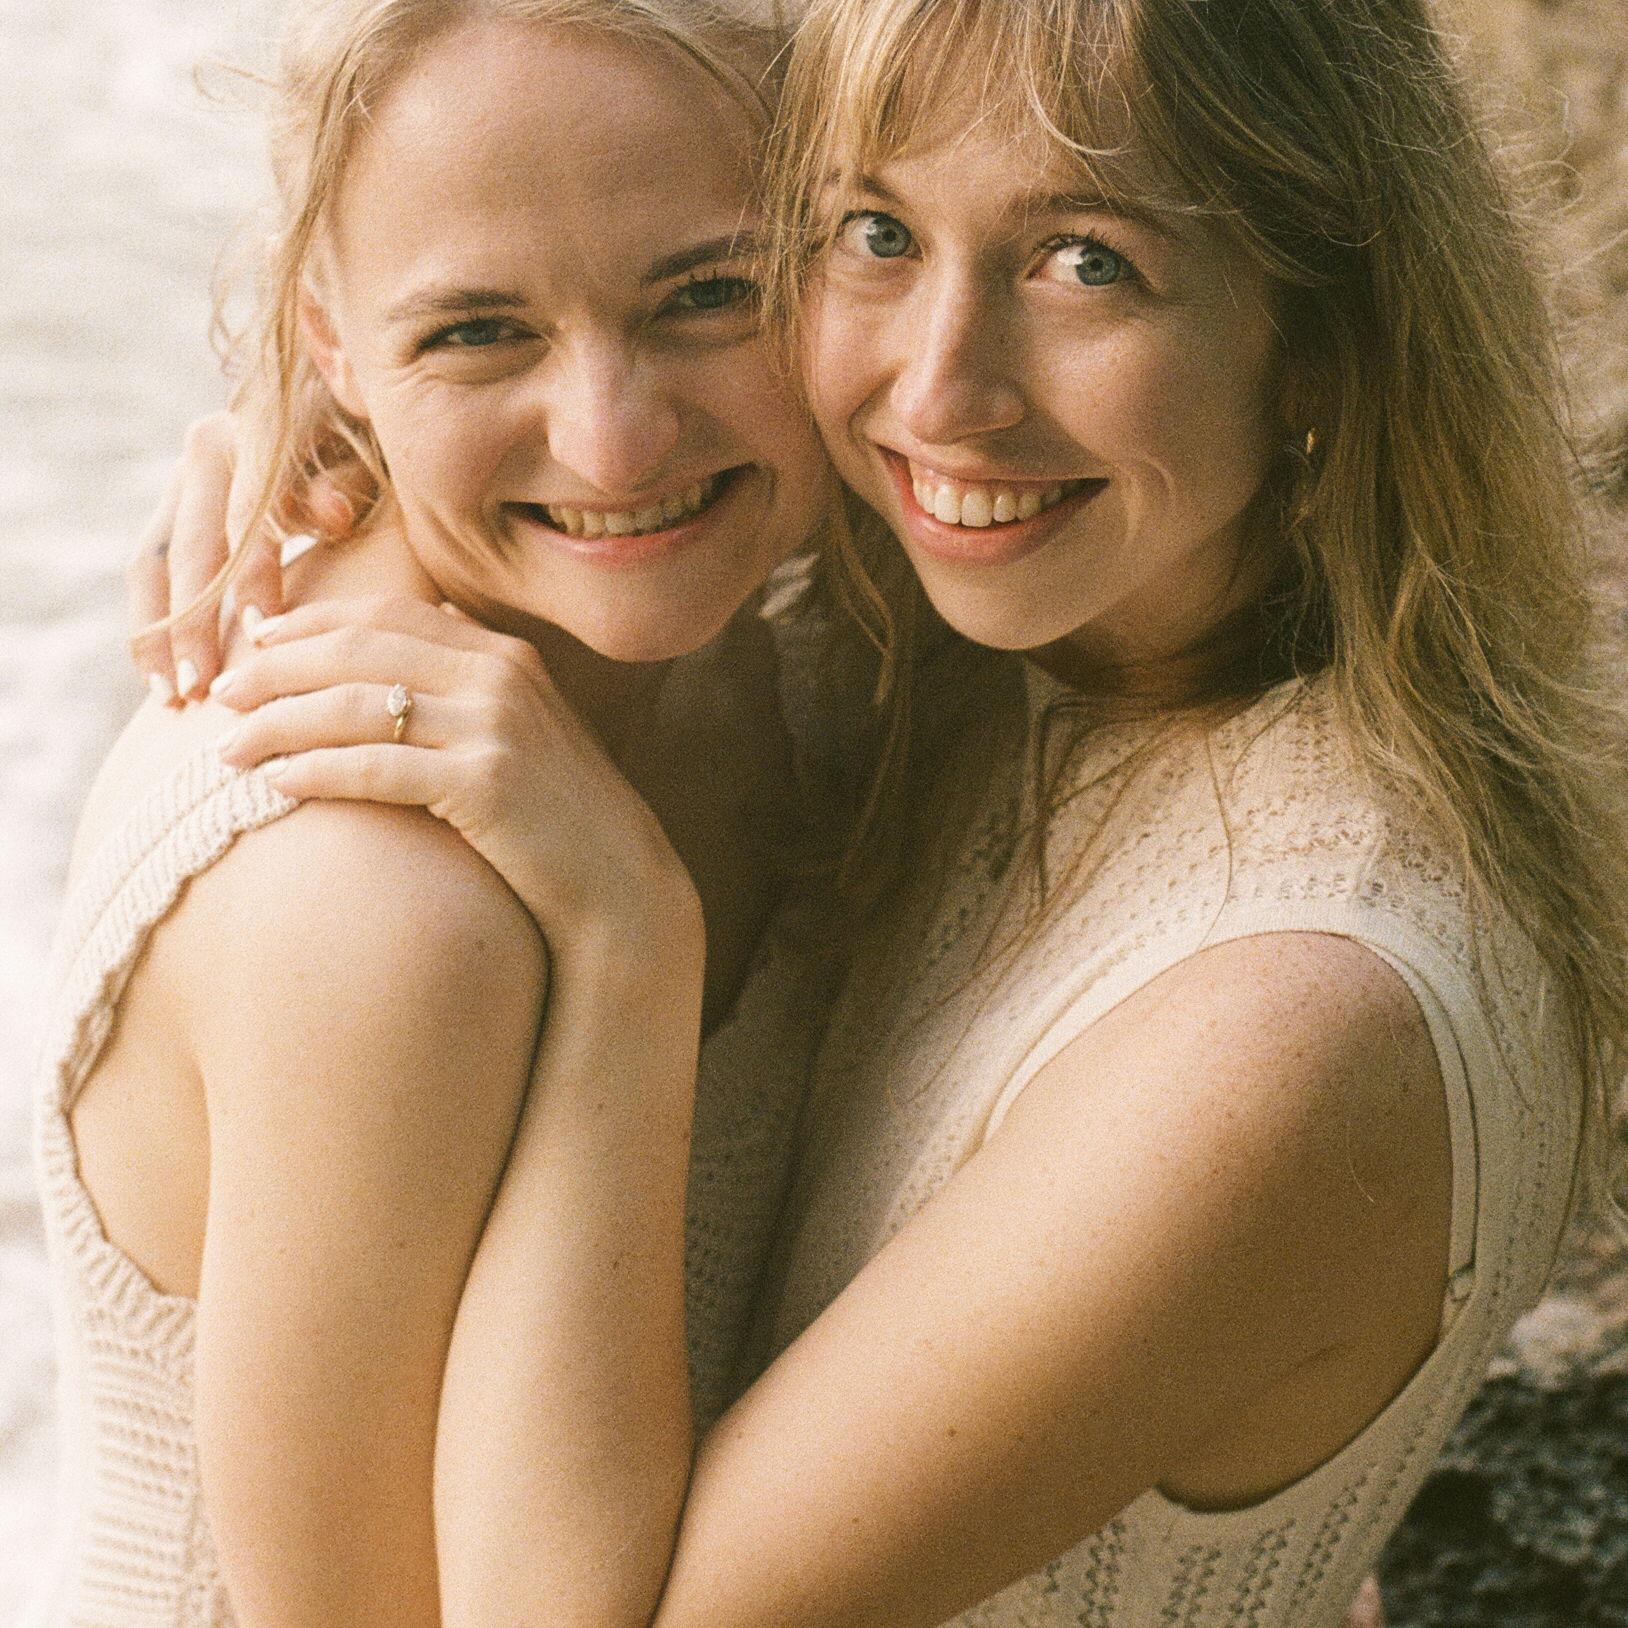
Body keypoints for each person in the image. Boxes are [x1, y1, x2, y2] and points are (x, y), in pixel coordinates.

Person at [196, 0, 1628, 1624]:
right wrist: (323, 450)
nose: (938, 393)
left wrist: (625, 935)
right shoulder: (970, 643)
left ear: (1325, 338)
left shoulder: (1293, 1021)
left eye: (1086, 263)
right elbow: (574, 312)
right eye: (875, 233)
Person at [26, 2, 853, 1622]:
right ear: (329, 343)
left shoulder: (787, 642)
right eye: (478, 331)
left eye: (711, 293)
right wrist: (629, 927)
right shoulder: (372, 903)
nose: (613, 441)